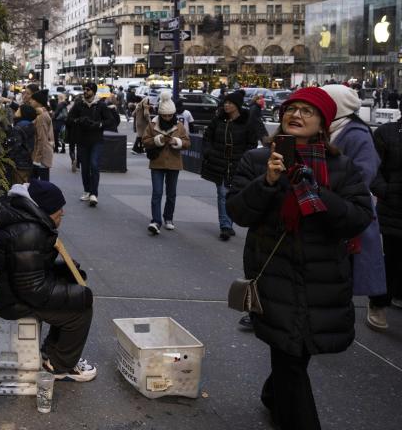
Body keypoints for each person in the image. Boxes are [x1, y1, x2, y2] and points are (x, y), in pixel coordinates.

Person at [227, 87, 371, 430]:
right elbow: (238, 211)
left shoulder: (340, 166)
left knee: (296, 352)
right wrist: (269, 181)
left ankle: (273, 395)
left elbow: (358, 218)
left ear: (323, 122)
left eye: (308, 111)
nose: (297, 116)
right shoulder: (258, 160)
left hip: (323, 277)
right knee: (289, 355)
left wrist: (314, 191)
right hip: (274, 273)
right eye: (292, 109)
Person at [0, 179, 97, 382]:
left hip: (10, 290)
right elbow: (32, 290)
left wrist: (63, 270)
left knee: (71, 293)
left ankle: (51, 354)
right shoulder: (29, 233)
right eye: (59, 209)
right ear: (46, 210)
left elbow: (26, 270)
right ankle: (60, 366)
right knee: (80, 310)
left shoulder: (27, 223)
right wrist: (80, 295)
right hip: (11, 302)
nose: (62, 213)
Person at [322, 84, 388, 330]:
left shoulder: (356, 133)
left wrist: (331, 189)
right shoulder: (329, 128)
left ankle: (339, 318)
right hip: (328, 207)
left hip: (347, 211)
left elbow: (364, 172)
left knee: (343, 270)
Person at [201, 89, 260, 240]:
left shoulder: (247, 122)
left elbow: (252, 143)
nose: (226, 105)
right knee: (222, 193)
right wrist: (209, 152)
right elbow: (207, 137)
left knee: (233, 194)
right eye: (225, 102)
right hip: (219, 162)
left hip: (238, 164)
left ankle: (229, 222)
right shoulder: (218, 120)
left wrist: (244, 158)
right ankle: (225, 226)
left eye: (229, 103)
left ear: (237, 106)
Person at [142, 91, 191, 235]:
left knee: (171, 193)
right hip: (157, 162)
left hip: (174, 163)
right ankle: (156, 221)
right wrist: (158, 140)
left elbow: (188, 142)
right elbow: (145, 141)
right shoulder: (152, 125)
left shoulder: (179, 126)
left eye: (170, 115)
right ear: (160, 114)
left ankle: (168, 218)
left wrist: (176, 141)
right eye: (165, 116)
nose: (168, 118)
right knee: (157, 192)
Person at [67, 82, 119, 206]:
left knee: (94, 165)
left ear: (94, 92)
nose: (85, 91)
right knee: (85, 167)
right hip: (82, 141)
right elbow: (68, 119)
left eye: (88, 90)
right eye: (84, 89)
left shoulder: (100, 105)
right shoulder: (79, 105)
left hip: (96, 140)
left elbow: (110, 121)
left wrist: (99, 124)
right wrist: (78, 121)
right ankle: (87, 191)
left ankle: (93, 193)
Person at [372, 115, 402, 327]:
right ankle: (379, 303)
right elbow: (374, 168)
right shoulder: (387, 132)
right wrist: (387, 191)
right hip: (395, 208)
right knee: (393, 258)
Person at [4, 104, 36, 184]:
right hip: (26, 162)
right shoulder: (29, 125)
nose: (16, 110)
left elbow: (13, 147)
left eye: (19, 109)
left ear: (23, 113)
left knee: (17, 188)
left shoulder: (19, 128)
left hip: (18, 164)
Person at [29, 91, 54, 181]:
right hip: (43, 153)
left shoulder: (41, 117)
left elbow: (41, 139)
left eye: (32, 100)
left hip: (41, 156)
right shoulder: (43, 114)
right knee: (42, 182)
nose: (30, 101)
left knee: (41, 183)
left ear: (38, 102)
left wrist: (37, 159)